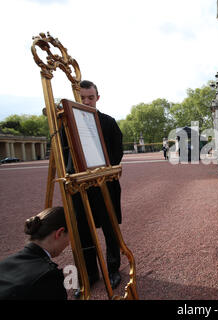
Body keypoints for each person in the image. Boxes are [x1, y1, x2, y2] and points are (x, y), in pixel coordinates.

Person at [69, 80, 124, 296]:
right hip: (80, 188)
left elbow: (116, 155)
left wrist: (99, 170)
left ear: (97, 98)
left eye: (90, 97)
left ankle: (113, 270)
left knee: (110, 229)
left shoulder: (109, 122)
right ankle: (90, 274)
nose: (86, 101)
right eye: (82, 97)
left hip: (105, 186)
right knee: (83, 232)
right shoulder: (67, 124)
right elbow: (66, 157)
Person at [0, 207, 69, 300]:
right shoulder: (49, 277)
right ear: (59, 233)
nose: (68, 243)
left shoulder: (5, 263)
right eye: (70, 237)